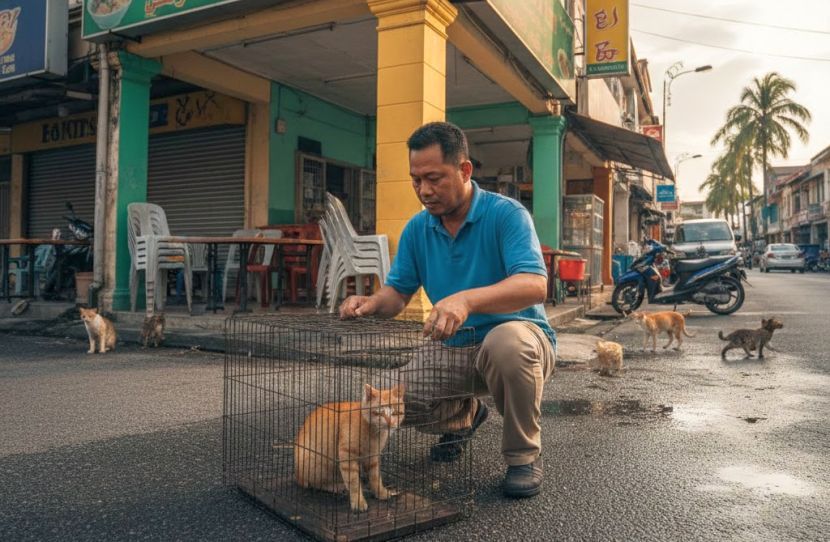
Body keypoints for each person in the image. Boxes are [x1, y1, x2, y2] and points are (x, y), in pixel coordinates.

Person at [339, 121, 556, 498]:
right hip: (452, 347)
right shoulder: (417, 230)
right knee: (393, 401)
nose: (424, 190)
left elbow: (535, 285)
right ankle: (464, 418)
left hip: (517, 339)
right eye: (416, 179)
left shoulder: (507, 215)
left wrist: (467, 299)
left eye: (434, 178)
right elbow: (397, 295)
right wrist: (371, 302)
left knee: (507, 344)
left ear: (464, 170)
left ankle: (523, 456)